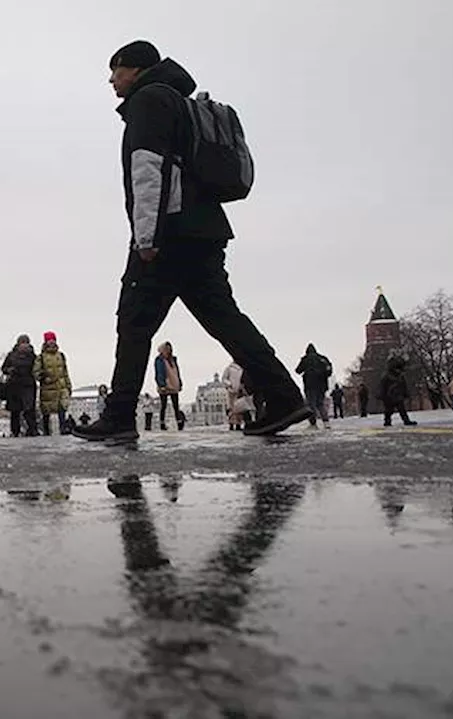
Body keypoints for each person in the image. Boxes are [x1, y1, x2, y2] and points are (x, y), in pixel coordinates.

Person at [73, 41, 311, 442]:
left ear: (137, 70)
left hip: (169, 234)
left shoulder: (148, 101)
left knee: (133, 321)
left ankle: (118, 417)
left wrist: (146, 238)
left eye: (116, 71)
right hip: (205, 230)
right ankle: (285, 396)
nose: (112, 80)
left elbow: (149, 171)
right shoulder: (183, 104)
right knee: (226, 320)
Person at [34, 331, 72, 435]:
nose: (51, 342)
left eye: (53, 340)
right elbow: (36, 372)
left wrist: (68, 385)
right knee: (46, 410)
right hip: (48, 387)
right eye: (49, 340)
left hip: (61, 386)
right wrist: (43, 377)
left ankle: (63, 428)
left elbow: (65, 372)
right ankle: (46, 430)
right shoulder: (41, 357)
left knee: (62, 408)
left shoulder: (61, 356)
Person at [1, 334, 39, 437]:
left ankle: (32, 429)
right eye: (22, 342)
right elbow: (4, 368)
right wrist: (9, 370)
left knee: (29, 408)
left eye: (26, 342)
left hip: (28, 384)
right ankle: (15, 431)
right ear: (18, 343)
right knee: (15, 410)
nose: (24, 345)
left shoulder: (32, 356)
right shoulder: (11, 355)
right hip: (14, 384)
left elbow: (37, 368)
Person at [295, 344, 333, 429]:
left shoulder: (305, 359)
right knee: (320, 403)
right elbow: (329, 371)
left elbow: (298, 370)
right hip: (322, 385)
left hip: (310, 385)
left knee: (311, 404)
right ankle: (326, 422)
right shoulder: (323, 359)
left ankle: (313, 423)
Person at [379, 354, 417, 427]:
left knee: (400, 409)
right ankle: (388, 421)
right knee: (390, 410)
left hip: (395, 395)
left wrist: (405, 393)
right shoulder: (389, 376)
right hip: (390, 395)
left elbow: (403, 385)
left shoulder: (396, 375)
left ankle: (402, 420)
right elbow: (383, 386)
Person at [154, 342, 183, 431]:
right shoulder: (159, 360)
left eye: (169, 349)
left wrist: (180, 382)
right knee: (163, 405)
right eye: (166, 349)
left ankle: (179, 422)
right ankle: (162, 424)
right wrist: (161, 384)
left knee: (175, 405)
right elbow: (159, 372)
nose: (168, 350)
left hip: (174, 384)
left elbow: (177, 372)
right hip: (165, 385)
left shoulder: (173, 359)